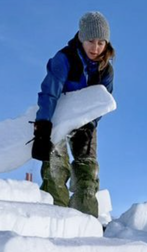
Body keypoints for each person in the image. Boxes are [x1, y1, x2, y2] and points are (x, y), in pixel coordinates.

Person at [31, 11, 115, 218]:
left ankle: (84, 220)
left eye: (101, 43)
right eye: (90, 41)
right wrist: (42, 128)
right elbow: (49, 92)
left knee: (87, 170)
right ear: (81, 37)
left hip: (85, 122)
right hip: (56, 117)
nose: (95, 48)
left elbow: (102, 101)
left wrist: (91, 124)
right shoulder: (64, 58)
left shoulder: (106, 70)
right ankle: (54, 216)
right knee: (56, 167)